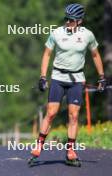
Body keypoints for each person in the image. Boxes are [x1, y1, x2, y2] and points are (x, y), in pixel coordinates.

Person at [29, 3, 106, 167]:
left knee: (74, 115)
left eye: (71, 20)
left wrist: (101, 77)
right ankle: (39, 146)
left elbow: (95, 55)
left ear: (79, 21)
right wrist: (43, 76)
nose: (67, 22)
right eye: (66, 19)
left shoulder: (88, 35)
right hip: (58, 77)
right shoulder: (57, 33)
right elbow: (47, 54)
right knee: (51, 113)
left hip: (77, 79)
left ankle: (70, 150)